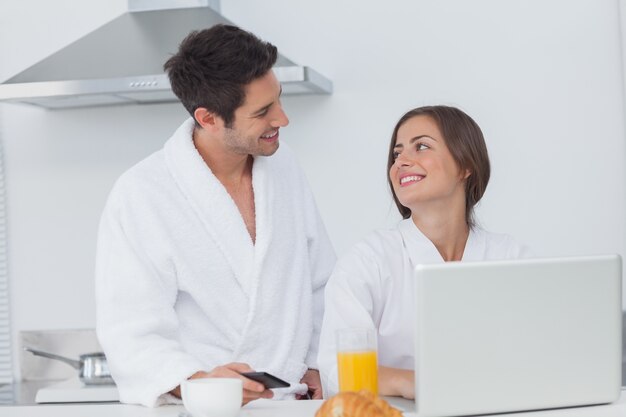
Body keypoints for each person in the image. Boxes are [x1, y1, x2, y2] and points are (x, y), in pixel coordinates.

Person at [95, 24, 336, 407]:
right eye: (263, 112)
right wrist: (200, 382)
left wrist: (317, 364)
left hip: (292, 402)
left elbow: (320, 282)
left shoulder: (284, 168)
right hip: (205, 409)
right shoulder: (143, 194)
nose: (283, 119)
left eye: (279, 99)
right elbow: (131, 331)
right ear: (208, 118)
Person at [317, 105, 530, 398]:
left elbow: (537, 355)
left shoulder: (511, 258)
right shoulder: (368, 262)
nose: (401, 161)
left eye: (422, 146)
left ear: (466, 165)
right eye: (397, 153)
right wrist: (415, 384)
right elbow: (338, 370)